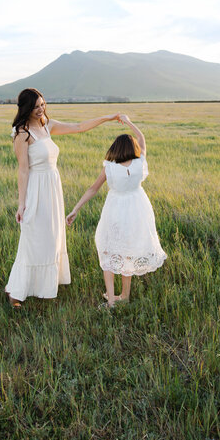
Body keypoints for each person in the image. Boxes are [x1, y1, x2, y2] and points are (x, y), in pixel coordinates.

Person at [5, 87, 122, 307]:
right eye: (36, 106)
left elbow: (79, 127)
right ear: (26, 109)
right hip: (36, 190)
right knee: (33, 239)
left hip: (52, 188)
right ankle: (15, 292)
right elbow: (23, 170)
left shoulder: (47, 125)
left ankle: (43, 285)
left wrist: (107, 117)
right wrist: (22, 204)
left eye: (42, 104)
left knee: (51, 238)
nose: (41, 109)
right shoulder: (22, 133)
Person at [66, 114, 167, 308]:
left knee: (108, 250)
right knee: (127, 251)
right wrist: (128, 121)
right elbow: (142, 138)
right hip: (138, 210)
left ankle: (112, 300)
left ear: (115, 149)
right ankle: (125, 295)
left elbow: (92, 189)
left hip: (116, 211)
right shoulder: (139, 162)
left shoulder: (110, 168)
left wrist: (75, 209)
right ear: (133, 148)